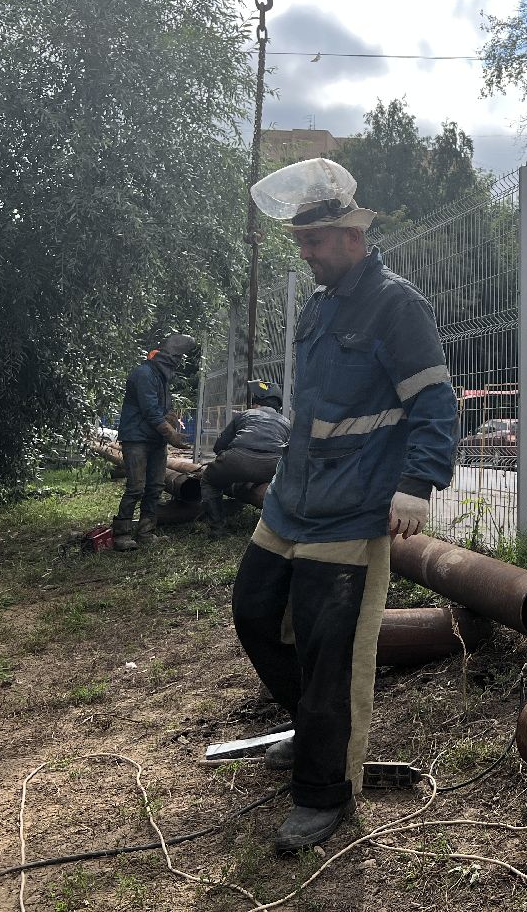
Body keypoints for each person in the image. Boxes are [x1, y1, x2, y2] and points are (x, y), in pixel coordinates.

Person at [232, 158, 457, 853]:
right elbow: (311, 415)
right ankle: (310, 730)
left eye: (316, 242)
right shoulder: (322, 306)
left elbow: (435, 402)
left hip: (355, 510)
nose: (305, 253)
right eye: (301, 242)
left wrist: (417, 484)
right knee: (254, 610)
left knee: (333, 653)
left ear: (354, 236)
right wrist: (282, 474)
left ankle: (325, 793)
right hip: (294, 501)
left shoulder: (396, 304)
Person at [112, 333, 196, 551]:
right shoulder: (144, 374)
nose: (179, 362)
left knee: (156, 486)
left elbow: (160, 411)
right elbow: (150, 411)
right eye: (178, 357)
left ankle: (146, 532)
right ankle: (121, 535)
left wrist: (171, 419)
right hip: (137, 439)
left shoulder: (160, 378)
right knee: (136, 488)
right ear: (170, 355)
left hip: (155, 439)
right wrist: (172, 435)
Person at [199, 380, 292, 530]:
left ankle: (217, 526)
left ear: (256, 402)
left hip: (237, 460)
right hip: (273, 466)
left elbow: (219, 447)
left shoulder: (245, 414)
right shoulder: (286, 422)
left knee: (208, 480)